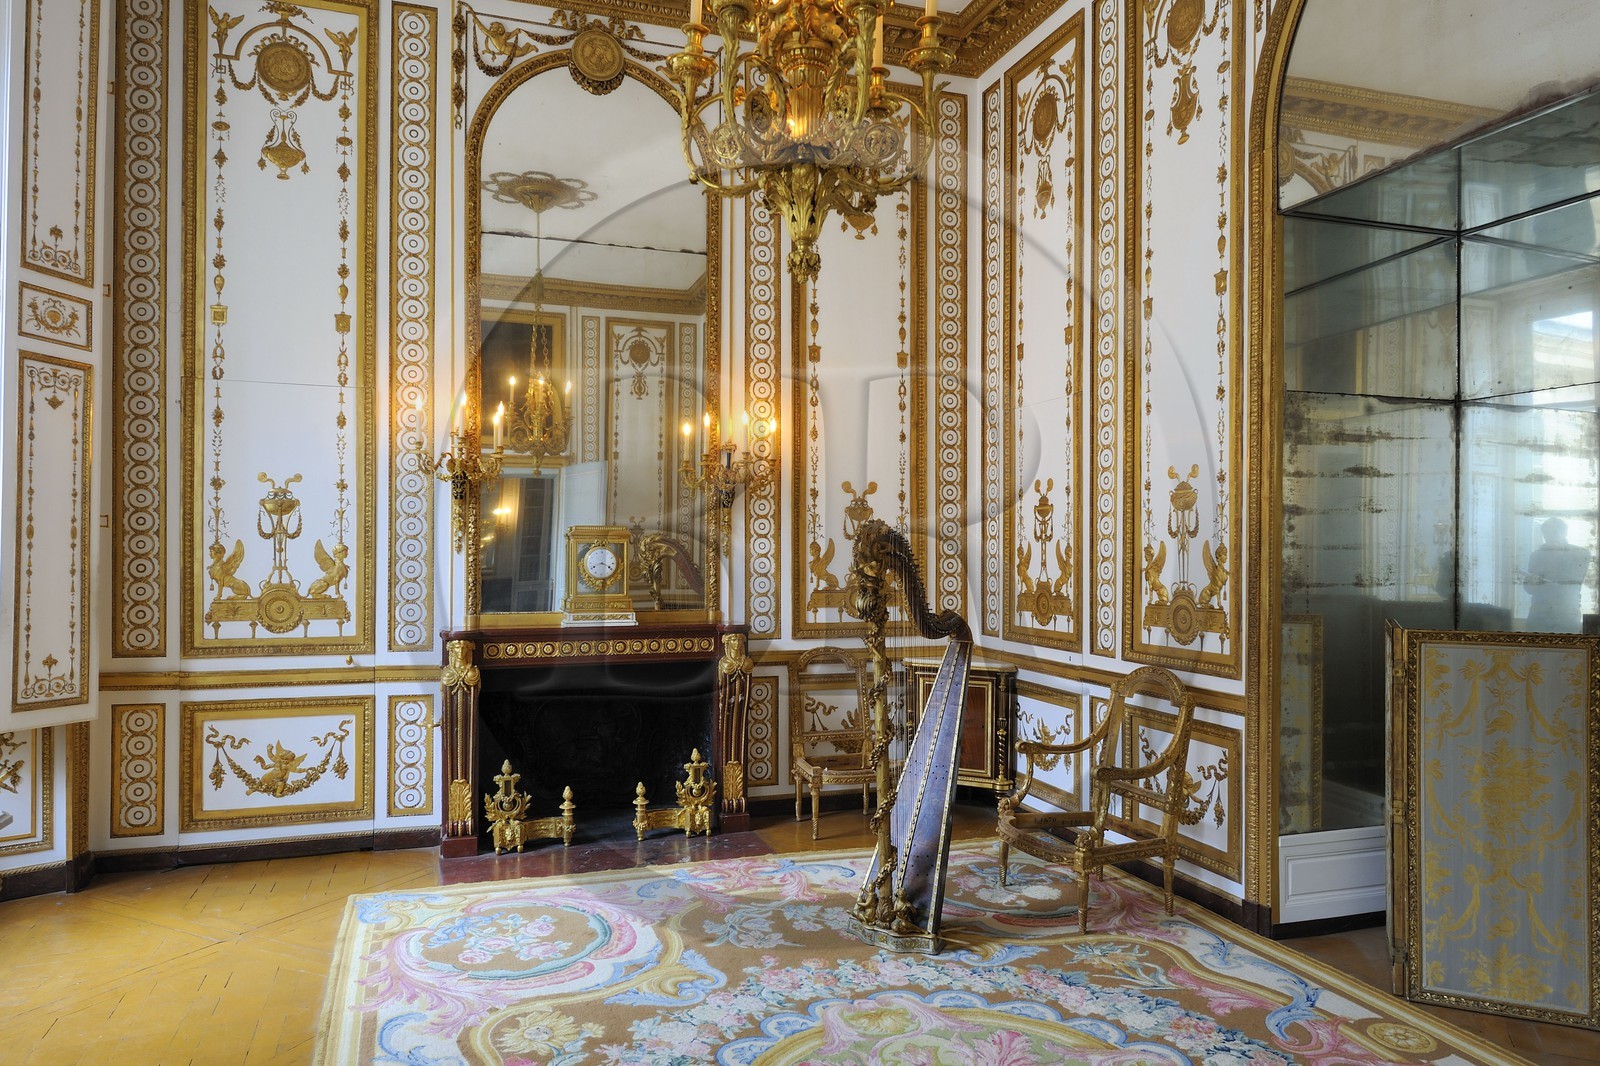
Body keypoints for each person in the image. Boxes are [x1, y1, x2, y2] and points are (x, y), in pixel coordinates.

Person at [1522, 518, 1591, 632]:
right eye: (1547, 533)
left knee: (1568, 648)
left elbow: (1572, 581)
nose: (1551, 536)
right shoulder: (1535, 556)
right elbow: (1529, 589)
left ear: (1564, 532)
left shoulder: (1581, 553)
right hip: (1538, 614)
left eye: (1554, 532)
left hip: (1566, 614)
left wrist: (1554, 555)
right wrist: (1531, 582)